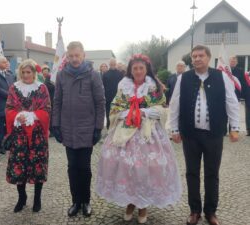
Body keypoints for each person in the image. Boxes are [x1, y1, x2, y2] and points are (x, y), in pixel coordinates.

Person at [96, 54, 182, 224]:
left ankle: (143, 205)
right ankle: (130, 202)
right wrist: (125, 113)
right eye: (134, 68)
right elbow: (114, 107)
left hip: (148, 133)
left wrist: (147, 112)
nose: (138, 71)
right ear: (130, 70)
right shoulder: (123, 88)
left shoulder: (154, 87)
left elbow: (164, 108)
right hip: (126, 131)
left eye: (141, 68)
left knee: (147, 169)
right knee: (126, 167)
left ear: (146, 69)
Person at [169, 45, 239, 225]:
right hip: (190, 135)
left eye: (201, 55)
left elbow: (231, 102)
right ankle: (194, 211)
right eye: (194, 56)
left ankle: (210, 212)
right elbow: (175, 104)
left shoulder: (221, 76)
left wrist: (235, 127)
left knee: (212, 174)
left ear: (208, 58)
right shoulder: (182, 78)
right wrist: (174, 129)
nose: (197, 58)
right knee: (192, 173)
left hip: (214, 134)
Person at [52, 41, 105, 217]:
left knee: (85, 167)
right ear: (67, 56)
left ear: (83, 56)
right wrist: (56, 125)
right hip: (68, 128)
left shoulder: (93, 75)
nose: (74, 59)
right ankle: (76, 201)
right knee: (72, 167)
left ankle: (86, 201)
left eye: (77, 55)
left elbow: (100, 102)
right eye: (71, 56)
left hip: (87, 129)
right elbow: (57, 101)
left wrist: (98, 127)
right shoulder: (61, 75)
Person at [5, 59, 51, 213]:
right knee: (19, 164)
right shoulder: (14, 88)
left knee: (38, 166)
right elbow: (9, 107)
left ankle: (37, 199)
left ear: (34, 73)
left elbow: (47, 109)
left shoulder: (42, 88)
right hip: (19, 135)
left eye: (28, 72)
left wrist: (34, 115)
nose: (25, 75)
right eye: (23, 72)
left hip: (37, 134)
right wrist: (17, 116)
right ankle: (22, 197)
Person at [102, 58, 124, 129]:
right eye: (112, 63)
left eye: (113, 63)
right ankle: (110, 126)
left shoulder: (120, 74)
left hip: (117, 97)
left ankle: (112, 127)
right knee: (109, 113)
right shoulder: (106, 74)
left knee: (116, 112)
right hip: (110, 97)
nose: (112, 65)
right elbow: (103, 86)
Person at [42, 65, 55, 136]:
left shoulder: (49, 78)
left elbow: (47, 86)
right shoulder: (44, 78)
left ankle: (51, 131)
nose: (45, 73)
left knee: (51, 116)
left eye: (46, 71)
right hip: (47, 99)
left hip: (51, 99)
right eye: (44, 72)